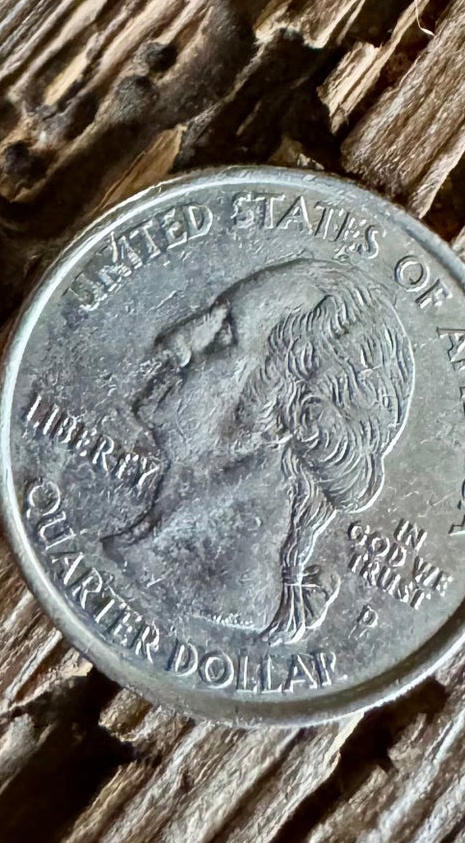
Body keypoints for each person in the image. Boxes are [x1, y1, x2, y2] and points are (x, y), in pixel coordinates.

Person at [106, 257, 414, 642]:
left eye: (224, 335)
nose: (176, 340)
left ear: (291, 412)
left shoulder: (218, 603)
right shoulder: (134, 553)